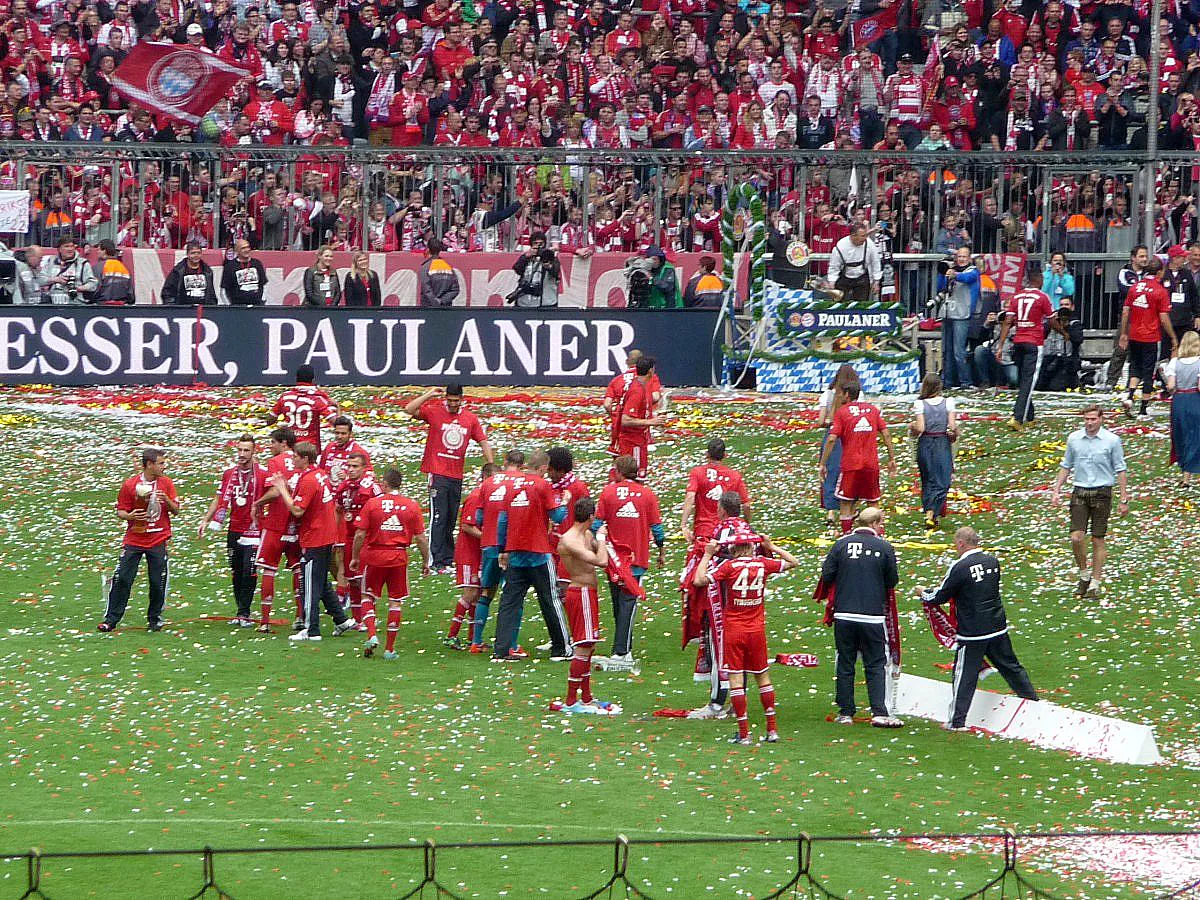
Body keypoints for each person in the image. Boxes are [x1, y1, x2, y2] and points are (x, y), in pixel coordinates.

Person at [917, 527, 1039, 731]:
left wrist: (923, 592)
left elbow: (940, 596)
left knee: (965, 674)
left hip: (972, 632)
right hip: (996, 626)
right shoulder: (992, 561)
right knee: (1011, 666)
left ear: (961, 543)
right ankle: (1033, 703)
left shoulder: (960, 567)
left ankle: (957, 721)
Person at [694, 524, 798, 744]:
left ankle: (744, 733)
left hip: (734, 629)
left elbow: (699, 580)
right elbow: (793, 562)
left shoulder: (729, 567)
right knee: (762, 676)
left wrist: (707, 555)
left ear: (733, 548)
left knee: (736, 678)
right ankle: (772, 730)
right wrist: (773, 546)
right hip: (756, 629)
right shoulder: (762, 564)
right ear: (751, 546)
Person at [815, 507, 903, 728]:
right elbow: (891, 580)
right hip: (872, 615)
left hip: (844, 614)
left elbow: (827, 575)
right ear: (874, 524)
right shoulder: (884, 547)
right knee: (875, 663)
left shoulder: (841, 544)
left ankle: (845, 712)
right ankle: (879, 712)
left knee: (845, 662)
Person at [269, 441, 358, 642]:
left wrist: (282, 488)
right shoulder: (319, 474)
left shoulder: (309, 480)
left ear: (305, 459)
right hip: (326, 535)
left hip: (315, 538)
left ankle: (312, 629)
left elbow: (298, 510)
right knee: (321, 581)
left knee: (309, 584)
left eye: (296, 457)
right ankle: (341, 619)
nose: (292, 460)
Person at [404, 384, 493, 573]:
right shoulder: (435, 412)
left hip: (456, 474)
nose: (452, 404)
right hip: (437, 473)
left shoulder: (470, 419)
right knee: (438, 516)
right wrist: (428, 394)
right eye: (449, 400)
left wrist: (491, 466)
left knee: (452, 517)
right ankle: (435, 560)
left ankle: (447, 558)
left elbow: (483, 441)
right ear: (445, 399)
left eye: (456, 400)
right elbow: (409, 409)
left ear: (462, 399)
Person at [492, 449, 570, 662]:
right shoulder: (542, 485)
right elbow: (557, 516)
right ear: (543, 468)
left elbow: (502, 521)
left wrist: (502, 550)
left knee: (509, 602)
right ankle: (561, 648)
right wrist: (565, 501)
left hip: (516, 553)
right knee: (550, 600)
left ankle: (501, 649)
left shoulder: (511, 486)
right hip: (538, 553)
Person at [592, 454, 665, 672]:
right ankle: (622, 651)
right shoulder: (647, 495)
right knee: (628, 603)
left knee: (618, 602)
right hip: (636, 558)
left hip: (613, 559)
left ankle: (622, 647)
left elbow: (596, 524)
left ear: (618, 471)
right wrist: (661, 550)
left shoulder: (608, 492)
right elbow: (657, 529)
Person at [98, 448, 180, 633]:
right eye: (160, 463)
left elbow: (176, 510)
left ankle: (154, 619)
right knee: (123, 579)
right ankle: (111, 619)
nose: (163, 467)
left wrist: (166, 499)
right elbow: (121, 511)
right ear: (149, 464)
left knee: (157, 580)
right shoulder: (130, 485)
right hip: (135, 539)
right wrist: (130, 515)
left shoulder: (166, 483)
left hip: (158, 538)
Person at [551, 497, 621, 715]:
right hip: (579, 592)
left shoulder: (586, 535)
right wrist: (602, 539)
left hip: (588, 593)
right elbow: (599, 560)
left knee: (589, 645)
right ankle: (571, 700)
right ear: (591, 517)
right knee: (583, 644)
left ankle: (587, 696)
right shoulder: (570, 539)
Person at [1051, 404, 1129, 598]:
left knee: (1097, 538)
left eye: (1093, 419)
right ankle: (1084, 573)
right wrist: (1056, 490)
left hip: (1102, 492)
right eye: (1086, 419)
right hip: (1080, 491)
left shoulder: (1112, 441)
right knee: (1076, 537)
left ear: (1101, 419)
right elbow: (1066, 465)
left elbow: (1120, 468)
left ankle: (1095, 582)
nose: (1089, 423)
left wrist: (1123, 497)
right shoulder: (1074, 439)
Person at [351, 468, 430, 659]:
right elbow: (420, 538)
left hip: (375, 556)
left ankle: (371, 635)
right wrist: (426, 561)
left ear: (384, 484)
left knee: (367, 596)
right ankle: (389, 649)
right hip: (398, 558)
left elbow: (360, 533)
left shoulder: (372, 504)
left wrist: (355, 557)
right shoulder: (411, 506)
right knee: (395, 601)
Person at [198, 435, 267, 628]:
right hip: (234, 529)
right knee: (236, 571)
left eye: (246, 450)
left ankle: (244, 612)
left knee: (249, 570)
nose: (242, 454)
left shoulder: (262, 474)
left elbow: (273, 494)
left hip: (254, 529)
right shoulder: (229, 473)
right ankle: (240, 611)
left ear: (254, 451)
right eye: (240, 450)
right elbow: (219, 499)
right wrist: (206, 519)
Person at [818, 383, 897, 535]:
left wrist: (823, 463)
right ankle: (878, 535)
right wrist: (891, 458)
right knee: (873, 500)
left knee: (846, 500)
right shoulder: (873, 410)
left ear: (847, 395)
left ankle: (847, 533)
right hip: (871, 464)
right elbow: (886, 433)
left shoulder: (842, 413)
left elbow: (832, 439)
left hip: (851, 464)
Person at [995, 268, 1065, 428]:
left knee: (1023, 379)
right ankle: (1017, 417)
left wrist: (1000, 346)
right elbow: (1052, 321)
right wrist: (1063, 332)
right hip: (1034, 343)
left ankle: (1030, 416)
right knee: (1029, 381)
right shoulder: (1043, 297)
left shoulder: (1016, 296)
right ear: (1039, 280)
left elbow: (1007, 321)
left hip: (1018, 342)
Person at [471, 450, 526, 651]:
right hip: (513, 547)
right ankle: (511, 644)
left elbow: (478, 517)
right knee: (514, 596)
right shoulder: (523, 482)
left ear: (504, 462)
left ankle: (476, 642)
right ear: (523, 465)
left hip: (489, 545)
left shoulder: (488, 483)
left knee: (486, 592)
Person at [251, 427, 303, 632]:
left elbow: (274, 492)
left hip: (275, 524)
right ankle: (300, 617)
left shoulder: (276, 462)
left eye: (272, 442)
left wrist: (258, 503)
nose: (269, 446)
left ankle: (264, 621)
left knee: (269, 570)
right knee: (298, 570)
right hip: (296, 525)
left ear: (283, 444)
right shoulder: (302, 461)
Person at [1116, 256, 1176, 418]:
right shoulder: (1160, 291)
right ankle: (1143, 408)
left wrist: (1123, 333)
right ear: (1159, 272)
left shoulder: (1135, 288)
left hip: (1134, 334)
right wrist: (1172, 337)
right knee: (1149, 371)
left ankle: (1129, 396)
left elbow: (1126, 311)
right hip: (1150, 336)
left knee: (1135, 367)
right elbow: (1163, 317)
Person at [445, 464, 495, 650]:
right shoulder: (475, 498)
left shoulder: (488, 497)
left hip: (479, 554)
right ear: (485, 478)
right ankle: (451, 635)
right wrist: (489, 537)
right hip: (468, 554)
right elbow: (467, 526)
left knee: (477, 595)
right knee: (470, 593)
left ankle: (474, 639)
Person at [332, 452, 381, 626]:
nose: (351, 470)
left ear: (364, 468)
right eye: (349, 466)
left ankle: (369, 618)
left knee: (364, 580)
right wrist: (335, 535)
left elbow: (381, 511)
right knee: (351, 579)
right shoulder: (344, 486)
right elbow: (337, 509)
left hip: (366, 538)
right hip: (348, 536)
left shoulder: (371, 488)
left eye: (355, 466)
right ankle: (357, 619)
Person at [815, 366, 860, 528]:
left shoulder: (828, 395)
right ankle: (849, 509)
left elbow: (821, 421)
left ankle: (830, 511)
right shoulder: (858, 396)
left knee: (831, 471)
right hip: (851, 437)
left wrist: (832, 423)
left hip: (832, 435)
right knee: (849, 472)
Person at [911, 374, 958, 530]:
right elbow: (952, 426)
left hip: (925, 443)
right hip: (941, 442)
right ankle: (932, 512)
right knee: (943, 478)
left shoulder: (920, 404)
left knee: (928, 478)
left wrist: (912, 426)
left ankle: (930, 512)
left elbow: (921, 429)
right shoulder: (948, 403)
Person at [612, 356, 665, 481]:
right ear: (651, 371)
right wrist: (650, 422)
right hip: (632, 442)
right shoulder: (637, 390)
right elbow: (625, 419)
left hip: (639, 440)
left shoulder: (642, 387)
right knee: (634, 478)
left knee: (637, 477)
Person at [936, 247, 981, 389]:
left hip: (962, 314)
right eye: (959, 256)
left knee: (959, 351)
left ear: (969, 258)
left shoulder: (973, 271)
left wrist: (953, 274)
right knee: (946, 350)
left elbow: (966, 278)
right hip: (948, 312)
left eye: (964, 257)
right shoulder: (952, 269)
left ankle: (965, 382)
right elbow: (940, 287)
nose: (961, 259)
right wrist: (943, 274)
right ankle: (948, 382)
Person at [268, 365, 338, 449]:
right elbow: (336, 423)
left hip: (289, 446)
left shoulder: (285, 397)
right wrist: (338, 407)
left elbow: (270, 420)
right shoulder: (318, 399)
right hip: (309, 448)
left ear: (296, 378)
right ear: (313, 379)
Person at [1166, 331, 1200, 486]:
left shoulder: (1174, 363)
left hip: (1179, 400)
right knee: (1196, 435)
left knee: (1183, 435)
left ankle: (1185, 477)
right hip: (1195, 399)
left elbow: (1171, 386)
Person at [825, 222, 881, 302]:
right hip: (844, 278)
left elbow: (875, 262)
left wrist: (876, 281)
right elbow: (834, 267)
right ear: (853, 236)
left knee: (861, 306)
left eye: (865, 235)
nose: (865, 238)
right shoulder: (841, 246)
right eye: (862, 236)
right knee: (841, 305)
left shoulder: (869, 244)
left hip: (862, 278)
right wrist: (832, 283)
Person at [1037, 299, 1085, 392]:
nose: (1064, 307)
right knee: (1042, 385)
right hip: (1050, 359)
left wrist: (1067, 327)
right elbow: (1042, 335)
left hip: (1068, 361)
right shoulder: (1053, 321)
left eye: (1066, 304)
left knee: (1058, 386)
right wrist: (1052, 322)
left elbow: (1078, 339)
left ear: (1072, 307)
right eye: (1061, 305)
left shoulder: (1074, 323)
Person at [41, 236, 99, 305]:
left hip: (75, 305)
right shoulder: (51, 261)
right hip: (53, 305)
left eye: (72, 246)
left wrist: (77, 288)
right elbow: (40, 280)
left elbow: (93, 285)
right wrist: (55, 279)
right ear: (59, 249)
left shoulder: (83, 263)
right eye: (66, 246)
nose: (70, 249)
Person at [511, 232, 561, 308]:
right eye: (535, 243)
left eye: (541, 243)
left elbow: (556, 272)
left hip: (546, 301)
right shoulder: (527, 256)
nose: (538, 246)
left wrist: (548, 265)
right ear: (531, 244)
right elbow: (517, 269)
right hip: (525, 302)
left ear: (545, 244)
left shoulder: (551, 256)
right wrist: (526, 257)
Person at [220, 239, 267, 305]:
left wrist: (263, 300)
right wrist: (229, 307)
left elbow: (264, 284)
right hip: (237, 308)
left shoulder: (257, 263)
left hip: (257, 305)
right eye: (243, 248)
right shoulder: (229, 266)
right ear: (237, 250)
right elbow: (224, 289)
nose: (247, 250)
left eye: (248, 247)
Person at [418, 237, 459, 307]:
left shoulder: (425, 267)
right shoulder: (448, 267)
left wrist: (435, 302)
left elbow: (426, 290)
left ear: (428, 249)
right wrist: (442, 301)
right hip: (445, 309)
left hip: (428, 309)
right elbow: (455, 289)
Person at [95, 240, 133, 305]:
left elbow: (95, 289)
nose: (97, 252)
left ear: (104, 251)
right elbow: (130, 293)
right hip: (121, 306)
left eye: (98, 249)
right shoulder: (124, 268)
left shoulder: (98, 267)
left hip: (102, 305)